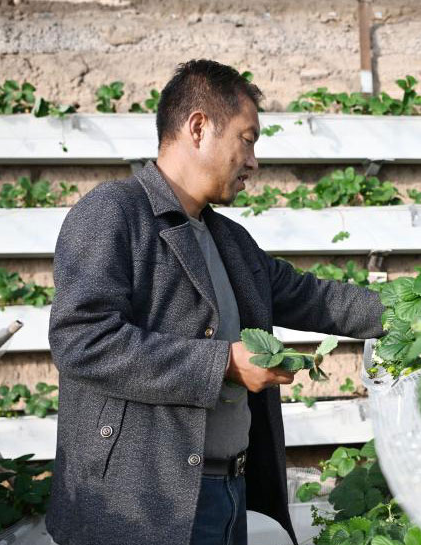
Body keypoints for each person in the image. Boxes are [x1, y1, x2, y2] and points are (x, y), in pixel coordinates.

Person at [46, 59, 386, 545]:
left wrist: (420, 310)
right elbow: (81, 340)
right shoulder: (112, 213)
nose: (254, 162)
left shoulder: (230, 240)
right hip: (140, 510)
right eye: (248, 139)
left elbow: (312, 297)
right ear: (199, 127)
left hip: (226, 493)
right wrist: (224, 361)